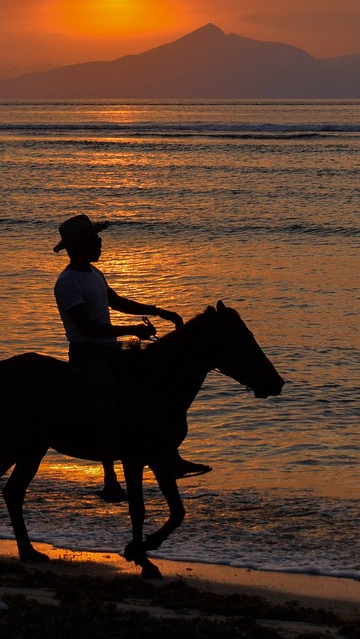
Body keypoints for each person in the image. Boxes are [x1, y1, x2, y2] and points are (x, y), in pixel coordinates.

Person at [52, 213, 211, 503]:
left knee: (152, 388)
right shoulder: (67, 282)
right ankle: (110, 478)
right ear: (78, 247)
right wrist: (132, 328)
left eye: (98, 239)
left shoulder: (93, 273)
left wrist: (156, 310)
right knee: (107, 401)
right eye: (94, 240)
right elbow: (87, 327)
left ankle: (170, 455)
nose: (100, 244)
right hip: (88, 353)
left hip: (108, 349)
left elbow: (117, 302)